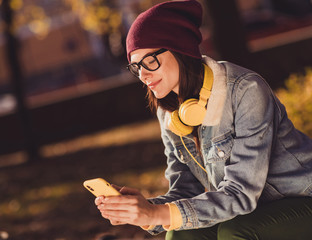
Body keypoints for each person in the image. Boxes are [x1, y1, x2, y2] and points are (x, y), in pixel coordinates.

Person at [94, 1, 312, 239]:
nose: (144, 75)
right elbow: (187, 190)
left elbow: (240, 194)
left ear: (180, 49)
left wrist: (155, 214)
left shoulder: (245, 90)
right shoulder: (169, 111)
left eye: (150, 61)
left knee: (236, 232)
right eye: (136, 67)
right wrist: (141, 210)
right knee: (180, 234)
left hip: (300, 200)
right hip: (254, 209)